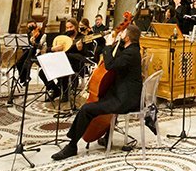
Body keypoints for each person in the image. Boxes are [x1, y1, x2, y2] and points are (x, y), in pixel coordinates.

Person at [51, 24, 144, 161]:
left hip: (125, 100)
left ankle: (72, 146)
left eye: (123, 33)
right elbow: (114, 58)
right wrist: (112, 42)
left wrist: (107, 45)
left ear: (128, 37)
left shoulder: (131, 53)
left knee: (87, 109)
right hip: (122, 94)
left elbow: (110, 64)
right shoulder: (130, 49)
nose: (121, 34)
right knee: (99, 102)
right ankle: (106, 136)